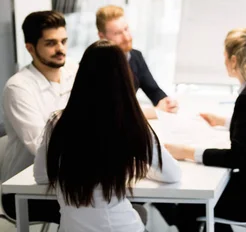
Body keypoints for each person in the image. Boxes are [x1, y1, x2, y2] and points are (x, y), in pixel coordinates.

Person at [33, 40, 181, 232]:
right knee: (137, 216)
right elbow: (172, 174)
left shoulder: (58, 122)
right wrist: (140, 167)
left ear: (82, 76)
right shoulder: (130, 123)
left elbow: (41, 176)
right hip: (119, 228)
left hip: (71, 229)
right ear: (124, 78)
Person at [156, 28, 246, 232]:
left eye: (224, 56)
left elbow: (237, 157)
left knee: (186, 206)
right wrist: (223, 121)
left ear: (233, 60)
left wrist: (186, 152)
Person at [1, 11, 78, 223]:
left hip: (70, 180)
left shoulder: (73, 70)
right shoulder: (18, 88)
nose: (61, 49)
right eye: (51, 43)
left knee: (120, 203)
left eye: (63, 41)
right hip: (27, 191)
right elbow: (42, 147)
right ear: (30, 48)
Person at [95, 5, 178, 118]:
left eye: (126, 29)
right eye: (118, 33)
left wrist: (166, 102)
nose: (126, 37)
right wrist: (156, 111)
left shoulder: (135, 56)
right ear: (102, 36)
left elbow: (153, 90)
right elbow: (112, 110)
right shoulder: (94, 64)